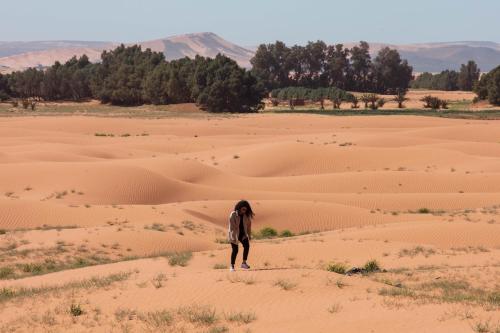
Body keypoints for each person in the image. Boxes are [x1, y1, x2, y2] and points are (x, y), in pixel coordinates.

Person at [228, 200, 254, 271]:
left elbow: (249, 226)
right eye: (243, 209)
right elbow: (232, 227)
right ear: (239, 208)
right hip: (234, 234)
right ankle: (232, 266)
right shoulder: (233, 214)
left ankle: (244, 263)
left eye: (245, 209)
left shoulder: (246, 216)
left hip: (243, 234)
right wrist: (233, 237)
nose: (244, 211)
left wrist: (249, 235)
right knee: (235, 250)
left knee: (247, 246)